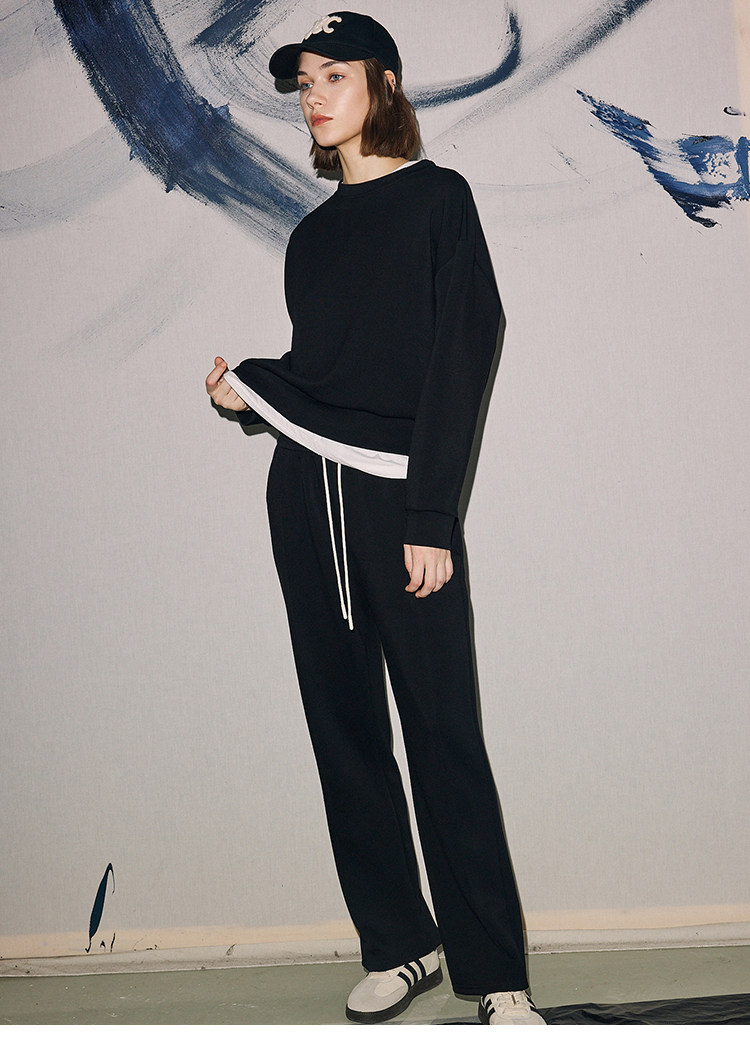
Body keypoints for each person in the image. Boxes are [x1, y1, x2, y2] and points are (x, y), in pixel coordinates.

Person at [206, 11, 545, 1027]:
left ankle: (497, 977)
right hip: (305, 495)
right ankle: (401, 943)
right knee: (344, 731)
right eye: (304, 82)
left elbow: (464, 349)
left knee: (444, 733)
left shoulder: (441, 200)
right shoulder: (310, 239)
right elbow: (325, 376)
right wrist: (249, 397)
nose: (314, 96)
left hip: (401, 499)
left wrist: (432, 514)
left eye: (334, 76)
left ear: (383, 84)